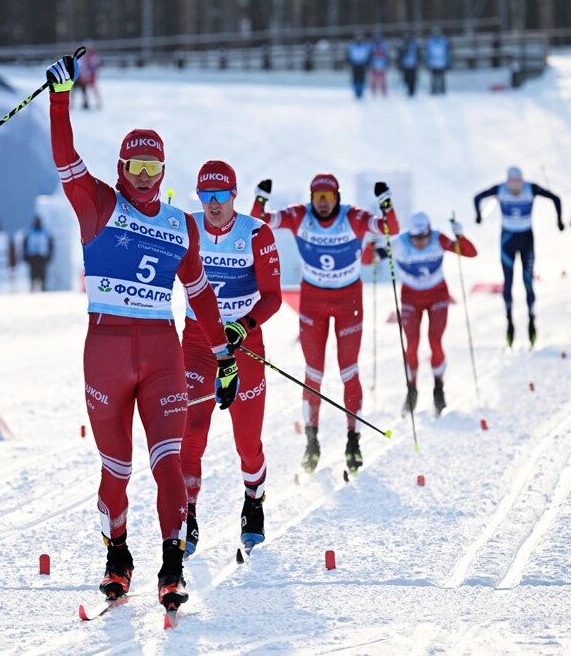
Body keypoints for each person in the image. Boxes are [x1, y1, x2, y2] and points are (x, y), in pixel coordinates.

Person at [45, 54, 238, 611]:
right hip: (105, 347)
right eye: (135, 168)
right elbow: (65, 158)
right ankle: (118, 555)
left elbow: (200, 293)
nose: (143, 179)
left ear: (164, 172)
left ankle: (172, 568)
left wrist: (224, 353)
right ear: (122, 167)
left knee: (168, 461)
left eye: (153, 170)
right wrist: (61, 98)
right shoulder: (98, 202)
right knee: (116, 467)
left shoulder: (181, 225)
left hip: (160, 351)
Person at [251, 175, 399, 475]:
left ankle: (352, 441)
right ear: (310, 197)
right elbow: (258, 223)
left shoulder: (354, 217)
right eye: (318, 196)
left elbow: (390, 229)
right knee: (313, 372)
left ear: (338, 198)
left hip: (348, 301)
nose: (322, 202)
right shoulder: (299, 215)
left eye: (328, 197)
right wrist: (260, 197)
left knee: (349, 369)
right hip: (313, 302)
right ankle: (311, 441)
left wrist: (387, 203)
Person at [181, 160, 282, 558]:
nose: (214, 204)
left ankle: (253, 499)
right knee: (191, 433)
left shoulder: (256, 233)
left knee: (247, 440)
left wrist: (244, 324)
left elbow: (272, 295)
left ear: (235, 195)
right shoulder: (187, 227)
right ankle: (187, 513)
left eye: (221, 195)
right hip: (196, 341)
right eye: (206, 196)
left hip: (246, 341)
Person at [376, 212, 477, 417]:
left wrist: (461, 237)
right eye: (415, 238)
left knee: (435, 341)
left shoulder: (438, 238)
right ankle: (411, 388)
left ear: (429, 232)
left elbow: (470, 253)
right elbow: (370, 260)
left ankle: (438, 388)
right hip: (411, 298)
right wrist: (371, 242)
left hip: (437, 296)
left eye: (423, 237)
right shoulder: (399, 243)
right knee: (412, 343)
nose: (420, 242)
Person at [474, 166, 563, 347]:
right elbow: (477, 197)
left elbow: (556, 198)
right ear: (508, 183)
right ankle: (510, 323)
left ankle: (531, 321)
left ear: (522, 182)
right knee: (508, 282)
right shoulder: (500, 189)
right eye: (512, 185)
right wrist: (478, 216)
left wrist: (559, 220)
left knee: (527, 281)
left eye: (518, 185)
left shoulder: (531, 188)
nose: (515, 190)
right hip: (507, 240)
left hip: (526, 240)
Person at [22, 216, 53, 292]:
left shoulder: (45, 232)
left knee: (43, 272)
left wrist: (50, 254)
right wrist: (25, 254)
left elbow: (50, 243)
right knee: (33, 272)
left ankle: (43, 286)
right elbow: (24, 244)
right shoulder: (29, 231)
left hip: (42, 255)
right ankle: (32, 286)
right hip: (32, 255)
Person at [74, 43, 103, 111]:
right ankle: (87, 103)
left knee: (92, 89)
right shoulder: (84, 58)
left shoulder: (92, 57)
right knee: (85, 89)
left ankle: (96, 103)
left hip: (89, 76)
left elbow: (92, 68)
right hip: (84, 77)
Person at [346, 34, 372, 100]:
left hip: (362, 64)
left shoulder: (365, 46)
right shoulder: (352, 46)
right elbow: (348, 55)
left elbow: (369, 55)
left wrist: (367, 62)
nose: (359, 38)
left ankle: (361, 92)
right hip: (355, 64)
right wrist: (349, 62)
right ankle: (356, 92)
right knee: (355, 79)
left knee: (362, 79)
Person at [426, 28, 451, 95]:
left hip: (441, 62)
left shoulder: (444, 41)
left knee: (441, 78)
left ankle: (442, 90)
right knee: (434, 78)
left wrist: (448, 61)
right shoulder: (431, 42)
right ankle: (434, 90)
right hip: (434, 63)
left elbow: (448, 53)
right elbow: (428, 53)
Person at [368, 32, 390, 97]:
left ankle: (384, 92)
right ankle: (373, 92)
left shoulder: (384, 45)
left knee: (382, 80)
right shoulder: (371, 45)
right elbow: (369, 55)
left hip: (382, 65)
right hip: (374, 65)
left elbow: (386, 55)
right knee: (373, 80)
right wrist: (370, 63)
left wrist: (386, 63)